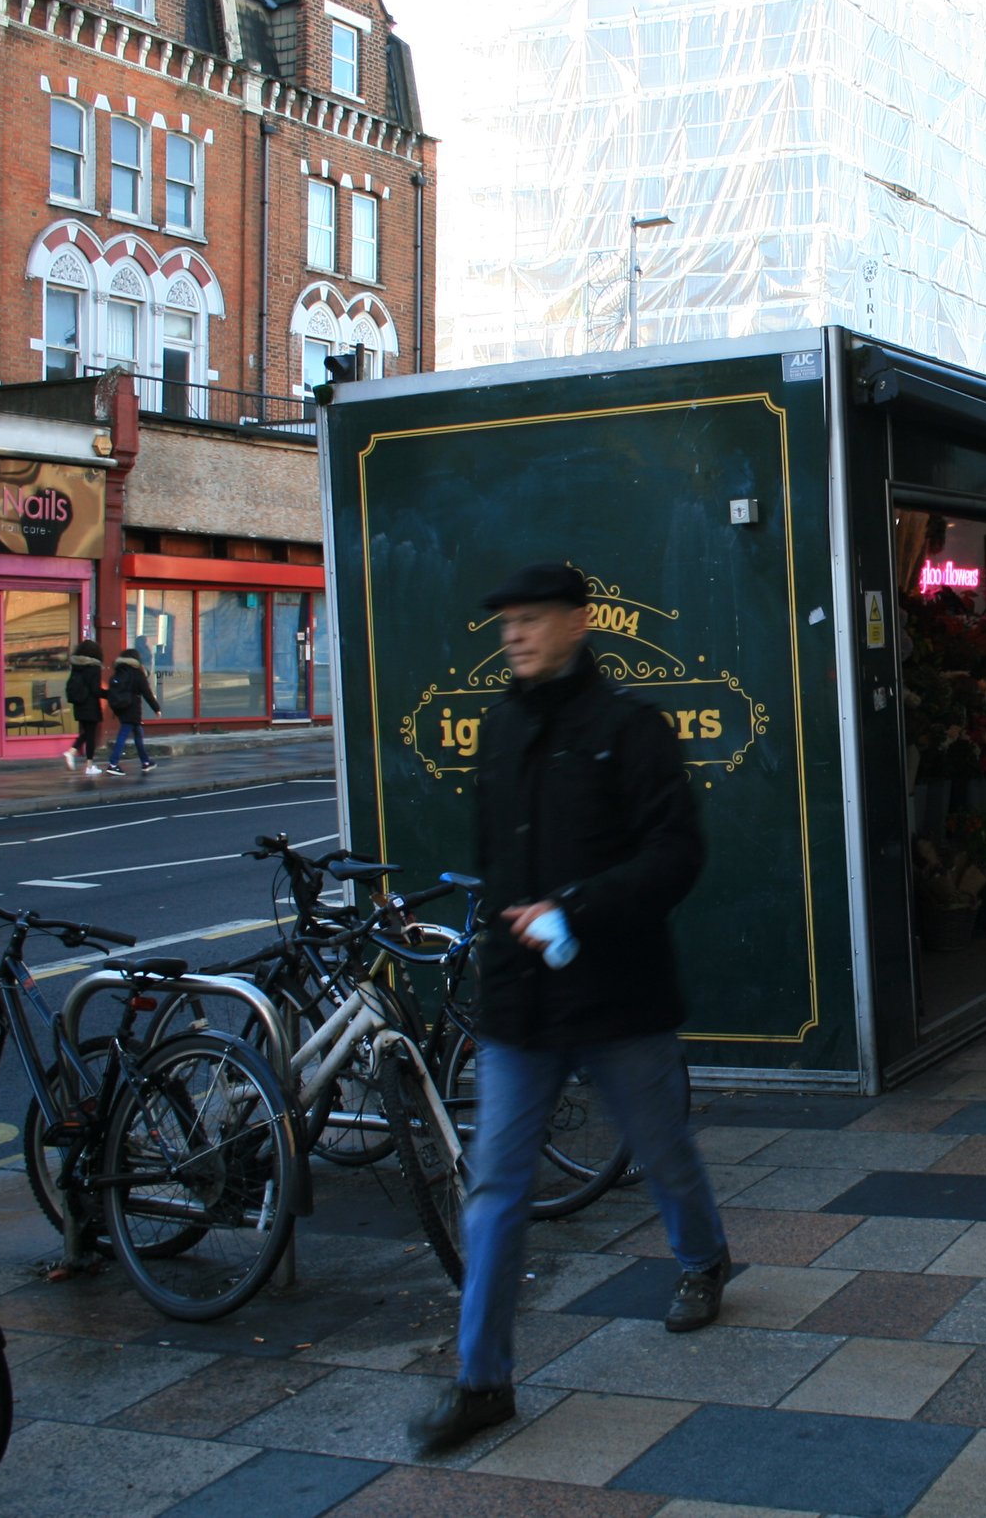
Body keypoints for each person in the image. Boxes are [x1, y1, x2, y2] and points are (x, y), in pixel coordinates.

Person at [417, 561, 725, 1457]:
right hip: (520, 1003)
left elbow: (678, 853)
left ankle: (703, 1257)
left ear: (577, 623)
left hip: (617, 994)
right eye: (506, 621)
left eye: (531, 619)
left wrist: (575, 908)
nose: (513, 634)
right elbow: (492, 860)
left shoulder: (630, 729)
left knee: (663, 1148)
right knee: (497, 1190)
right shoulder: (500, 726)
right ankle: (483, 1382)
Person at [101, 650, 159, 774]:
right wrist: (156, 708)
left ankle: (145, 762)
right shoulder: (137, 674)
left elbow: (112, 692)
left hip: (121, 708)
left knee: (138, 733)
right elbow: (147, 693)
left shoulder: (118, 673)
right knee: (123, 734)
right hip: (132, 710)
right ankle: (113, 763)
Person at [62, 640, 106, 772]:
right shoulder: (94, 668)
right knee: (90, 735)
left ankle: (72, 752)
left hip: (79, 705)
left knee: (86, 733)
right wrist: (110, 694)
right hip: (90, 705)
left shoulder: (76, 667)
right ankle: (89, 765)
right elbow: (95, 690)